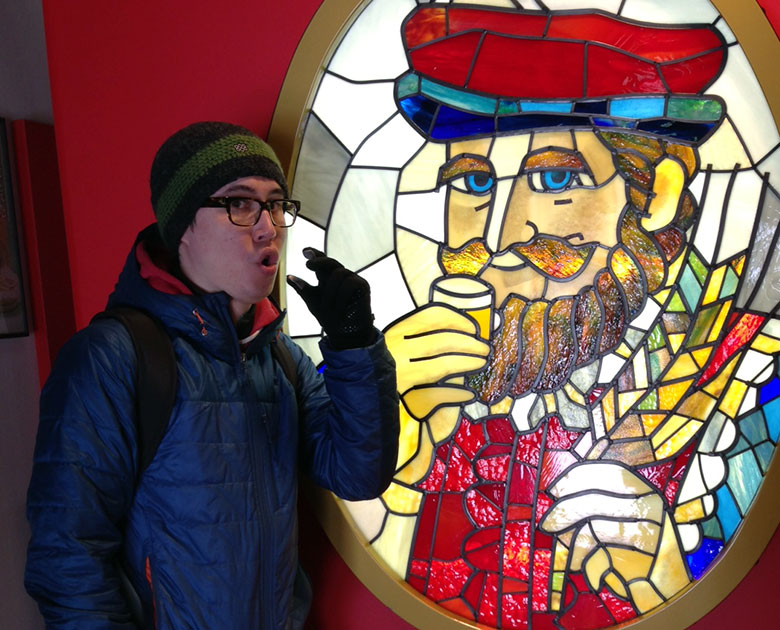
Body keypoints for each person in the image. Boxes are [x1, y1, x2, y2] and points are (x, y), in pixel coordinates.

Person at [348, 5, 780, 628]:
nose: (497, 233)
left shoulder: (748, 378)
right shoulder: (432, 390)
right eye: (472, 185)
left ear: (655, 195)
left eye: (554, 178)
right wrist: (395, 452)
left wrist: (667, 579)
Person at [24, 121, 400, 629]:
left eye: (275, 205)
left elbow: (358, 473)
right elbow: (68, 557)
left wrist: (353, 342)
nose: (268, 226)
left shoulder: (278, 356)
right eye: (240, 204)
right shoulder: (112, 357)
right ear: (181, 226)